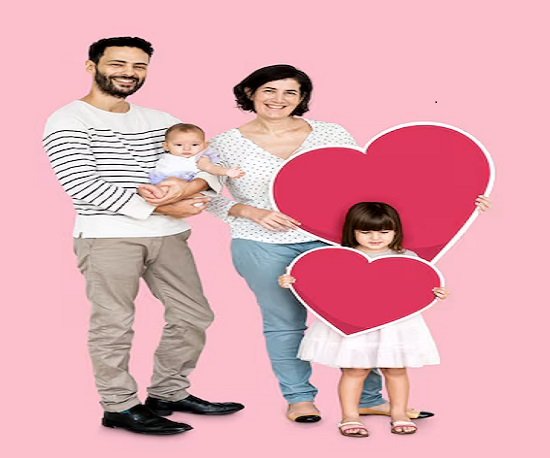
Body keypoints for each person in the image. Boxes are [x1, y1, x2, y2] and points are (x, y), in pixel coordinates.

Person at [199, 64, 434, 423]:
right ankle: (299, 399)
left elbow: (368, 181)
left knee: (363, 318)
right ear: (250, 93)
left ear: (303, 98)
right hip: (262, 245)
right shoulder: (224, 144)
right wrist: (250, 211)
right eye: (269, 90)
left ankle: (369, 399)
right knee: (284, 323)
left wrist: (462, 199)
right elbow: (207, 197)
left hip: (335, 243)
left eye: (290, 92)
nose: (279, 99)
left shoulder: (330, 133)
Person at [43, 36, 243, 436]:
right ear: (91, 66)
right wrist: (166, 205)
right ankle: (118, 406)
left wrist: (187, 192)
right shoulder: (68, 119)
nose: (128, 74)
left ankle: (167, 394)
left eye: (138, 67)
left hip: (169, 236)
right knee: (113, 323)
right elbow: (81, 184)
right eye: (118, 64)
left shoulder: (160, 118)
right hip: (107, 237)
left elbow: (204, 166)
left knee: (193, 314)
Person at [280, 202, 449, 436]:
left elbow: (419, 284)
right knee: (355, 370)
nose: (375, 238)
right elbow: (321, 283)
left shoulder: (407, 256)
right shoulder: (339, 256)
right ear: (353, 231)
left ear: (395, 232)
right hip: (353, 321)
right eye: (366, 232)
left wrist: (436, 292)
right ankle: (350, 416)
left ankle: (399, 412)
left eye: (383, 232)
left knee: (396, 369)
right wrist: (292, 281)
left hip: (395, 324)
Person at [150, 123, 245, 185]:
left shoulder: (200, 158)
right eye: (179, 145)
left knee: (173, 183)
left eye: (194, 144)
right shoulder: (166, 157)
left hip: (184, 184)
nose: (186, 149)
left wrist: (227, 172)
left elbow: (210, 168)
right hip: (160, 182)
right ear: (166, 146)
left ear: (204, 145)